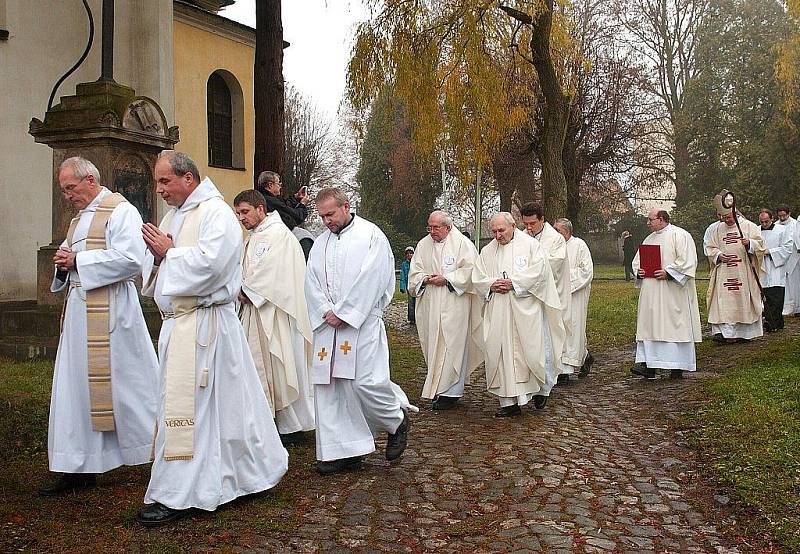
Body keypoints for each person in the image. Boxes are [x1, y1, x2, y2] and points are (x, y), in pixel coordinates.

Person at [137, 151, 287, 526]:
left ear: (188, 178)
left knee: (194, 410)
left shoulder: (216, 213)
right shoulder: (177, 215)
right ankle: (240, 476)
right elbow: (159, 266)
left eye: (164, 181)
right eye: (157, 182)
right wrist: (157, 259)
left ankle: (178, 493)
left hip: (205, 327)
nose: (159, 191)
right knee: (217, 408)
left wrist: (169, 253)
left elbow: (213, 266)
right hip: (180, 325)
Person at [40, 157, 159, 496]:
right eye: (63, 190)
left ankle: (157, 452)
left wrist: (78, 261)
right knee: (76, 390)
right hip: (80, 314)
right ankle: (80, 465)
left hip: (113, 316)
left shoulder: (120, 211)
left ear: (90, 179)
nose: (67, 196)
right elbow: (68, 256)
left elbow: (132, 259)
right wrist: (64, 264)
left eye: (71, 188)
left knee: (129, 387)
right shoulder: (78, 220)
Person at [304, 187, 414, 475]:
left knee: (365, 382)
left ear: (345, 206)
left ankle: (396, 420)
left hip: (361, 324)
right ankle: (344, 450)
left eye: (330, 214)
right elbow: (311, 280)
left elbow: (373, 277)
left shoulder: (371, 236)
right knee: (330, 388)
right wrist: (325, 311)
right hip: (329, 328)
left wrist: (345, 312)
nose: (326, 221)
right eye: (322, 216)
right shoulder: (320, 244)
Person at [234, 189, 315, 446]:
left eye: (245, 212)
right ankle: (270, 419)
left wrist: (245, 290)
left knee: (280, 365)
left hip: (276, 314)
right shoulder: (254, 237)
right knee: (261, 367)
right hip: (254, 312)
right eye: (237, 214)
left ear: (261, 209)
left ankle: (290, 425)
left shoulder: (277, 235)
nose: (241, 218)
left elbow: (273, 274)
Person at [472, 213, 565, 416]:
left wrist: (515, 283)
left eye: (501, 230)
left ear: (513, 226)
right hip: (498, 311)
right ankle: (509, 402)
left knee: (531, 352)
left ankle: (540, 390)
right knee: (502, 352)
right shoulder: (487, 251)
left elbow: (540, 273)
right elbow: (477, 277)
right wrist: (491, 284)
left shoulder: (531, 246)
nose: (497, 235)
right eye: (494, 231)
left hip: (525, 311)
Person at [407, 211, 483, 410]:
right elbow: (414, 273)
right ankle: (438, 389)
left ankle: (451, 392)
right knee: (434, 345)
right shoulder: (423, 245)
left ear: (448, 227)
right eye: (429, 227)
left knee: (452, 345)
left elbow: (471, 272)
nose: (432, 231)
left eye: (436, 228)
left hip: (455, 304)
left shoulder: (462, 244)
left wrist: (447, 279)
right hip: (431, 305)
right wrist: (424, 278)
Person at [631, 210, 702, 379]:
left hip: (673, 292)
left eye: (650, 220)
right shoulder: (649, 239)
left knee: (674, 326)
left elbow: (688, 261)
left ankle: (677, 366)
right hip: (651, 291)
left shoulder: (680, 235)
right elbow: (637, 262)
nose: (648, 223)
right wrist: (639, 272)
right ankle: (650, 365)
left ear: (661, 219)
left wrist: (669, 273)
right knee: (651, 325)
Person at [520, 203, 572, 384]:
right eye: (525, 223)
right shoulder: (521, 237)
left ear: (542, 219)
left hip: (549, 297)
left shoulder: (555, 239)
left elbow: (553, 265)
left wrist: (528, 272)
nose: (528, 228)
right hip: (527, 297)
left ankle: (548, 379)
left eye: (532, 223)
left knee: (547, 339)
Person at [706, 190, 766, 343]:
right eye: (724, 217)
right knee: (725, 302)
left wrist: (750, 244)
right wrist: (718, 255)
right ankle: (727, 335)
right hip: (724, 271)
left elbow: (761, 246)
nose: (726, 220)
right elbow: (710, 248)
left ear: (735, 213)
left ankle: (745, 333)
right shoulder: (717, 229)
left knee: (743, 299)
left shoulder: (749, 226)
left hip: (743, 271)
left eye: (729, 217)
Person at [553, 218, 595, 377]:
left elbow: (586, 272)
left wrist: (564, 281)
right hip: (556, 296)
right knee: (558, 328)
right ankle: (585, 357)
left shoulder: (579, 245)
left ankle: (566, 370)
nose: (555, 234)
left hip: (574, 295)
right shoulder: (552, 247)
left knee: (573, 329)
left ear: (567, 231)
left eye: (558, 231)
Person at [758, 208, 792, 332]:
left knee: (776, 296)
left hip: (775, 267)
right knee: (765, 296)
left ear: (772, 219)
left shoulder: (781, 230)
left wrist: (771, 252)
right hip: (762, 266)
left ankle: (775, 322)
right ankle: (770, 321)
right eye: (762, 222)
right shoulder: (756, 230)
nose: (764, 224)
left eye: (766, 221)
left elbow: (788, 248)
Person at [777, 205, 800, 316]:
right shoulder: (775, 225)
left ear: (789, 213)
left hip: (794, 258)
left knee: (794, 283)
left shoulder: (795, 224)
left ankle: (796, 306)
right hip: (780, 259)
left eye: (784, 215)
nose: (782, 218)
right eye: (780, 216)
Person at [399, 246, 416, 324]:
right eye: (408, 253)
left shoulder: (417, 263)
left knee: (419, 302)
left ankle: (419, 317)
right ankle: (412, 318)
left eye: (411, 253)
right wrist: (402, 287)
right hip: (409, 286)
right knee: (411, 302)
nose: (409, 255)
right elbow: (402, 276)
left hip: (417, 284)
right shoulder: (404, 264)